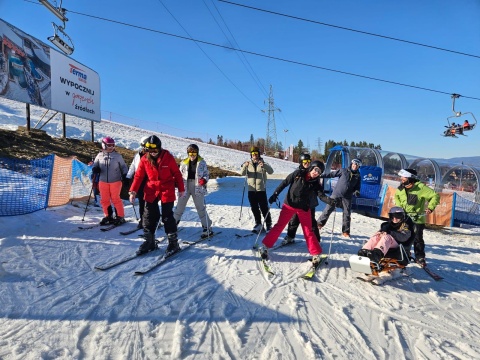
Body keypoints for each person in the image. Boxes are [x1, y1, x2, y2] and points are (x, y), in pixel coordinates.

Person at [129, 135, 185, 255]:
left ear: (159, 148)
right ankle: (149, 242)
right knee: (148, 215)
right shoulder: (144, 159)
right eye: (150, 150)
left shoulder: (168, 157)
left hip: (166, 189)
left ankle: (173, 243)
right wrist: (133, 191)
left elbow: (177, 174)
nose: (153, 153)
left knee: (167, 216)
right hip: (151, 189)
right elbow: (138, 176)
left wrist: (181, 189)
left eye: (155, 150)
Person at [259, 163, 324, 263]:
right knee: (279, 226)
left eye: (319, 172)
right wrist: (275, 194)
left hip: (303, 208)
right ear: (311, 167)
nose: (316, 173)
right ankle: (265, 247)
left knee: (308, 231)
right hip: (289, 205)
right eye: (315, 169)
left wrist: (331, 201)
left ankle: (315, 254)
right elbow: (285, 183)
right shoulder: (298, 173)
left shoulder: (316, 183)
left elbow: (321, 195)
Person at [394, 168, 440, 267]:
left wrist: (430, 207)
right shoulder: (401, 187)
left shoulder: (421, 188)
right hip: (404, 217)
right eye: (401, 177)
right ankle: (404, 254)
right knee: (401, 237)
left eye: (404, 177)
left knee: (417, 239)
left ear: (411, 178)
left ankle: (420, 257)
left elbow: (435, 196)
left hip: (417, 219)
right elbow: (396, 196)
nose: (401, 178)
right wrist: (399, 208)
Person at [283, 155, 324, 245]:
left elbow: (319, 190)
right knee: (294, 220)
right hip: (297, 202)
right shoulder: (298, 173)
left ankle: (316, 241)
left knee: (311, 222)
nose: (307, 164)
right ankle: (290, 236)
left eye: (308, 162)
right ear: (301, 163)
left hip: (309, 203)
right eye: (304, 162)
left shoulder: (314, 173)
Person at [174, 143, 213, 238]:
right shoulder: (184, 162)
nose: (192, 155)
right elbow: (179, 174)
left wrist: (204, 179)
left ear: (197, 153)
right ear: (187, 153)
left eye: (194, 153)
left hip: (197, 186)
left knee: (200, 207)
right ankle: (173, 225)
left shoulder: (202, 162)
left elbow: (207, 174)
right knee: (179, 206)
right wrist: (176, 181)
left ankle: (207, 227)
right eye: (190, 153)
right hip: (185, 186)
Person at [316, 158, 362, 239]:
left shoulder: (358, 176)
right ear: (351, 164)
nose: (355, 166)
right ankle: (319, 224)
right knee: (328, 209)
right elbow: (331, 174)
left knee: (347, 214)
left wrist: (356, 191)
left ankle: (345, 231)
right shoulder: (343, 171)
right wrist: (320, 175)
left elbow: (357, 187)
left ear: (358, 167)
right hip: (337, 194)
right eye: (354, 164)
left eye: (357, 165)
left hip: (347, 197)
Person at [91, 136, 128, 225]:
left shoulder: (117, 156)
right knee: (104, 199)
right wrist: (95, 169)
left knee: (115, 199)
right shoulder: (99, 155)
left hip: (115, 181)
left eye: (112, 145)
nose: (111, 147)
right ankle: (108, 216)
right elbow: (95, 165)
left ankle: (120, 216)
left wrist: (125, 175)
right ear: (104, 145)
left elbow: (123, 167)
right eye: (109, 145)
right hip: (103, 181)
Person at [240, 146, 274, 233]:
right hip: (251, 190)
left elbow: (271, 171)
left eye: (256, 154)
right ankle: (258, 223)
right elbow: (241, 173)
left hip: (261, 190)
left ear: (259, 154)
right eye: (253, 154)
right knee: (254, 208)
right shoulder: (248, 164)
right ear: (251, 155)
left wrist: (264, 165)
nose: (254, 155)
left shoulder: (262, 163)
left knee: (264, 208)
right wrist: (245, 166)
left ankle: (268, 224)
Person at [126, 136, 149, 229]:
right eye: (144, 146)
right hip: (139, 180)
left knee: (149, 202)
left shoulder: (152, 155)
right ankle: (142, 220)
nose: (145, 148)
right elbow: (133, 166)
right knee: (141, 201)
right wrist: (128, 176)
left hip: (149, 180)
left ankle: (150, 220)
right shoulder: (138, 155)